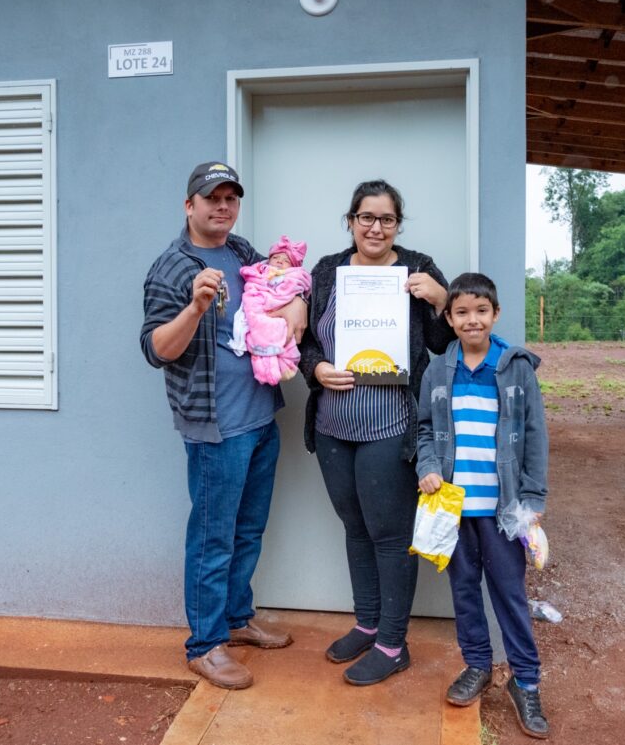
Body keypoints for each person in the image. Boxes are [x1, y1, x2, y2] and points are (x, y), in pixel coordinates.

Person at [140, 161, 307, 690]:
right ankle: (204, 645)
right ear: (189, 205)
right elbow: (155, 350)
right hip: (215, 428)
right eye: (212, 198)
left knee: (248, 530)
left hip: (260, 417)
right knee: (213, 538)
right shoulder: (171, 267)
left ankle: (236, 620)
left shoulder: (240, 251)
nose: (222, 207)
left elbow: (281, 283)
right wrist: (195, 306)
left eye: (231, 198)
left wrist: (298, 301)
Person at [297, 179, 454, 686]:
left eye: (386, 219)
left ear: (397, 225)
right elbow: (302, 341)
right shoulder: (326, 271)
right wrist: (316, 370)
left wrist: (440, 299)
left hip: (390, 425)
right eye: (366, 217)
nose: (375, 227)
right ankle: (367, 623)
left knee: (389, 535)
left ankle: (393, 643)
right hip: (333, 427)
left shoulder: (418, 267)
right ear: (350, 221)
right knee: (355, 527)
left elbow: (440, 341)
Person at [416, 272, 550, 738]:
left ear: (495, 314)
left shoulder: (514, 368)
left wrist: (531, 499)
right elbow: (424, 430)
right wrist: (427, 466)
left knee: (510, 595)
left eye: (481, 311)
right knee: (465, 591)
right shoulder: (438, 370)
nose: (472, 320)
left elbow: (534, 435)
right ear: (449, 319)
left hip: (502, 510)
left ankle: (525, 680)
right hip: (454, 510)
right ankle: (476, 665)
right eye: (461, 312)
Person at [229, 235, 312, 385]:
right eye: (276, 257)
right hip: (260, 307)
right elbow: (253, 283)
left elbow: (300, 284)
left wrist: (298, 298)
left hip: (281, 311)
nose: (280, 261)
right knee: (258, 335)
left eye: (286, 260)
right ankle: (264, 370)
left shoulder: (294, 274)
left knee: (286, 338)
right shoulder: (260, 269)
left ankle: (286, 364)